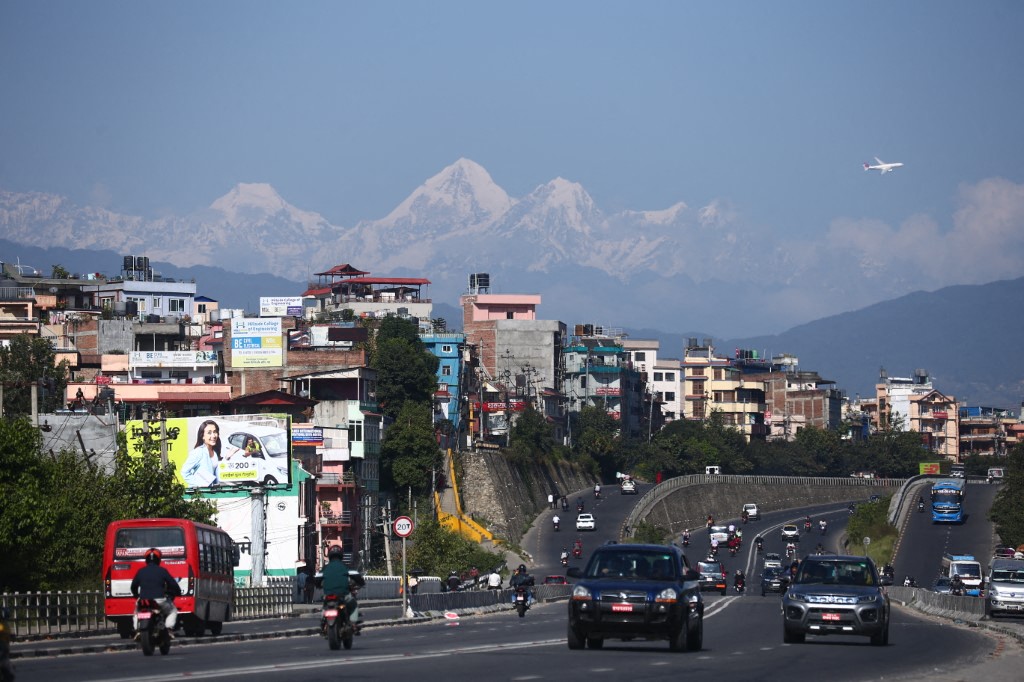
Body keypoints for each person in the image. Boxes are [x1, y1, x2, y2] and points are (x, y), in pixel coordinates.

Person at [130, 548, 182, 639]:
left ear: (146, 560)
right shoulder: (162, 571)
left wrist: (137, 596)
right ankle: (169, 629)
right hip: (160, 600)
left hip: (143, 601)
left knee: (136, 612)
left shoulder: (140, 571)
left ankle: (137, 630)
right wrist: (178, 592)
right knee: (172, 611)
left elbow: (133, 586)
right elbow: (173, 584)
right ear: (159, 560)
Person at [320, 545, 360, 628]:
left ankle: (323, 623)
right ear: (341, 555)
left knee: (325, 606)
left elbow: (317, 578)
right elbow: (356, 576)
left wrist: (318, 585)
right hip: (343, 595)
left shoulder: (325, 568)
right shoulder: (344, 567)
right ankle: (353, 623)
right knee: (353, 605)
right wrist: (361, 583)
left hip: (328, 595)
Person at [181, 419, 223, 487]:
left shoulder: (215, 452)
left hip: (213, 494)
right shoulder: (198, 452)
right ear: (202, 436)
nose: (213, 436)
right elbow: (184, 472)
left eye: (215, 432)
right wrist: (199, 485)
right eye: (209, 433)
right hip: (200, 495)